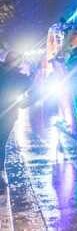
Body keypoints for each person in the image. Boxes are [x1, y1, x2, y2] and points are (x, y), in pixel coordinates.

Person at [0, 51, 30, 188]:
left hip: (7, 115)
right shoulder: (20, 79)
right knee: (1, 143)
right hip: (8, 116)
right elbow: (25, 103)